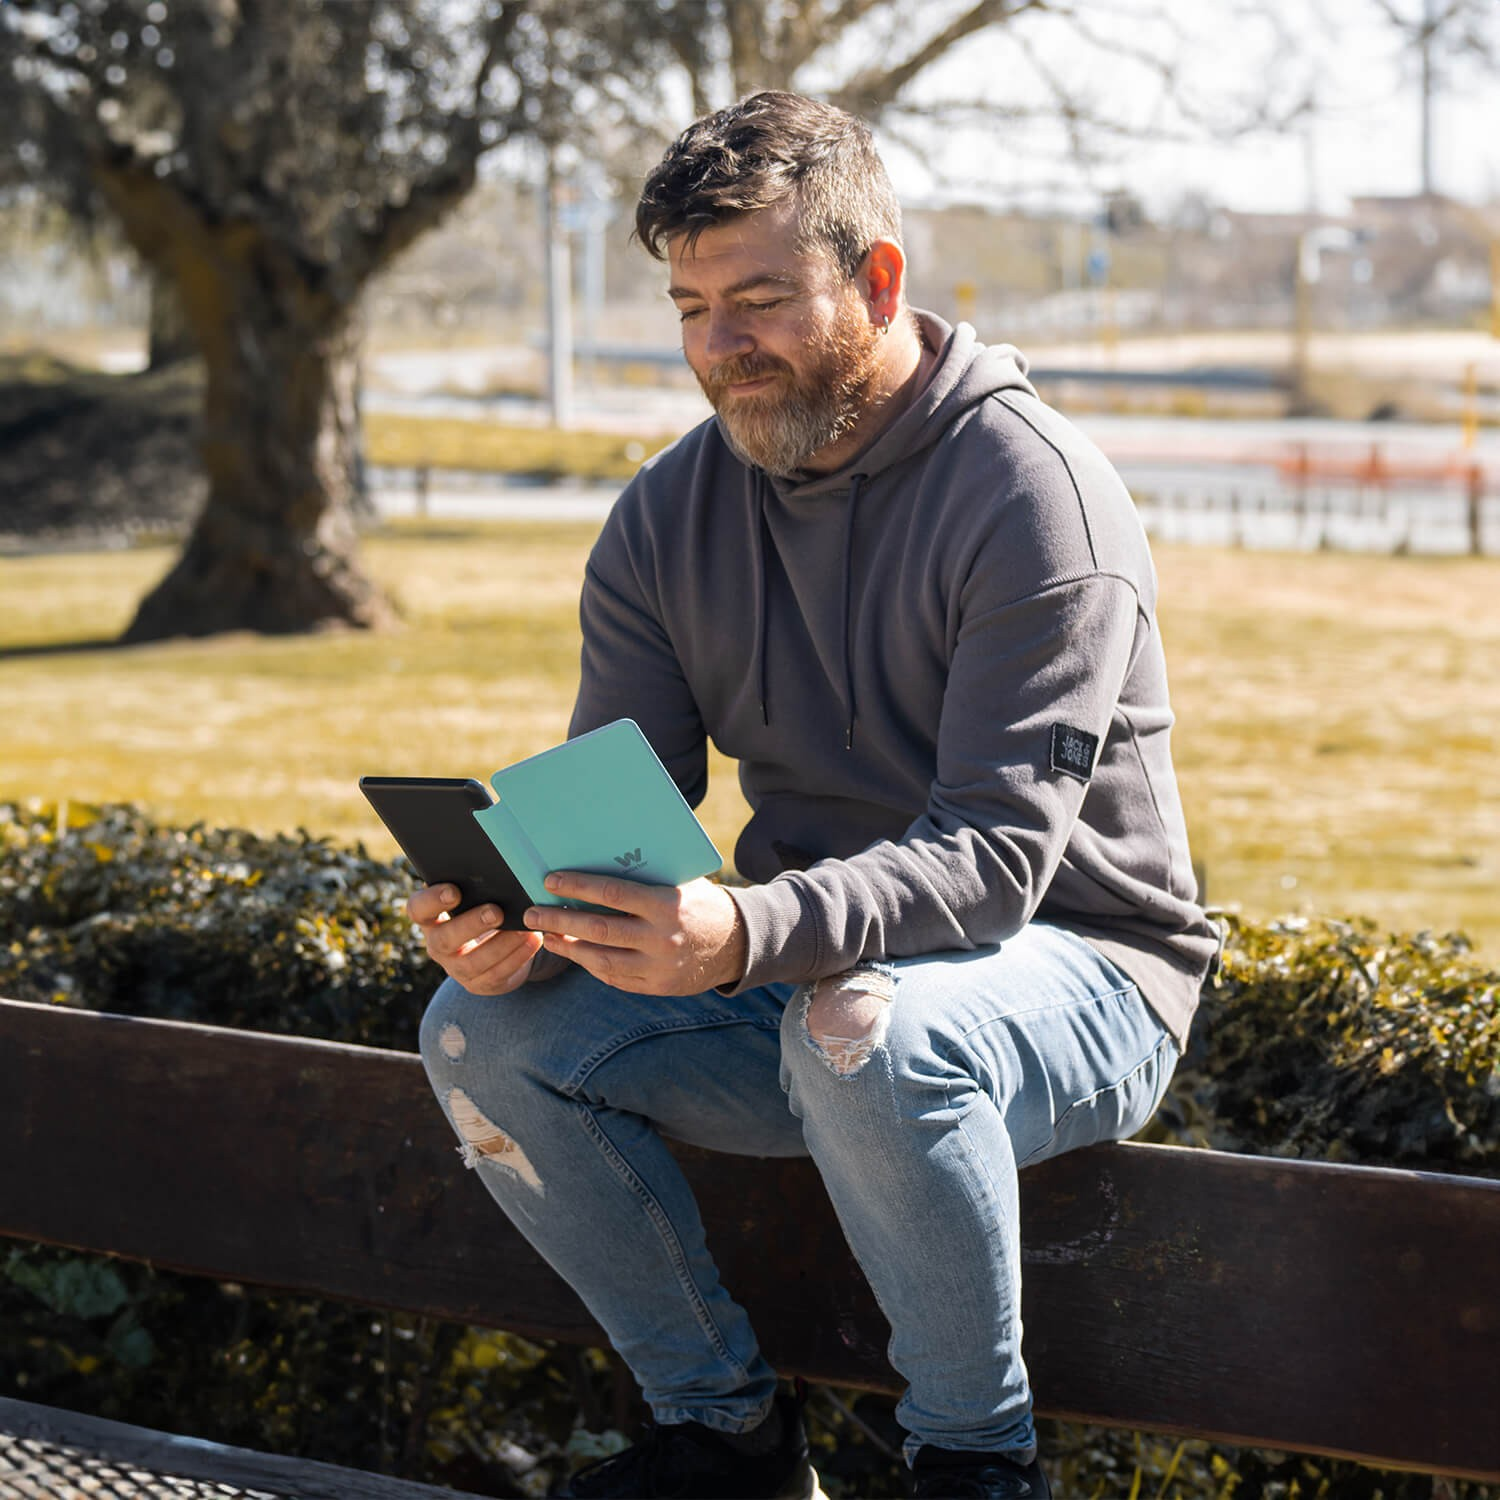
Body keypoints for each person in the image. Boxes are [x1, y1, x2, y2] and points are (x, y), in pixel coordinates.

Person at [410, 91, 1219, 1500]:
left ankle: (977, 1466)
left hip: (1079, 971)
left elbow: (993, 865)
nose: (722, 347)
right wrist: (527, 924)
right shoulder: (666, 517)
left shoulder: (1032, 497)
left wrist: (744, 933)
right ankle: (722, 1439)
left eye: (764, 299)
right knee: (482, 1033)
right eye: (691, 308)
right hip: (800, 972)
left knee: (868, 1026)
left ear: (880, 279)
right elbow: (624, 817)